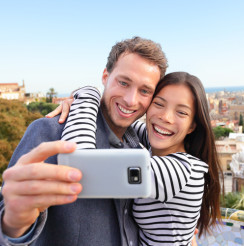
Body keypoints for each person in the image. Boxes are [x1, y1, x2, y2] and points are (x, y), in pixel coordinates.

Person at [0, 37, 168, 246]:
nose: (130, 100)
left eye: (145, 90)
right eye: (123, 83)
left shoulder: (142, 149)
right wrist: (14, 223)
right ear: (105, 76)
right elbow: (9, 217)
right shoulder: (51, 132)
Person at [49, 72, 223, 245]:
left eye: (181, 113)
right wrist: (81, 100)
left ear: (192, 125)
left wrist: (88, 95)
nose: (165, 117)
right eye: (159, 104)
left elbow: (82, 170)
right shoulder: (158, 143)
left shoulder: (180, 171)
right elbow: (119, 119)